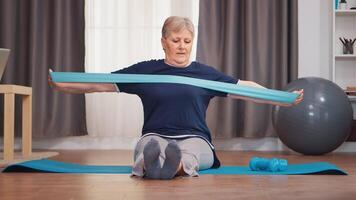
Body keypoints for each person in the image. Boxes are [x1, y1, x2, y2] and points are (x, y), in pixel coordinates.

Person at [49, 16, 303, 179]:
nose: (182, 46)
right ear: (164, 42)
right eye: (176, 40)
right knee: (148, 149)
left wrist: (282, 99)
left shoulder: (204, 74)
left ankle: (174, 166)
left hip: (195, 138)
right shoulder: (145, 71)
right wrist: (62, 85)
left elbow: (244, 88)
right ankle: (157, 163)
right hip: (155, 135)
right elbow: (99, 84)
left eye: (187, 41)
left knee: (192, 154)